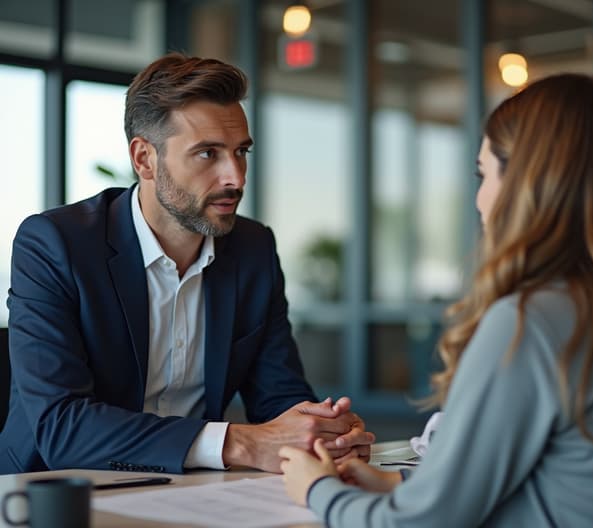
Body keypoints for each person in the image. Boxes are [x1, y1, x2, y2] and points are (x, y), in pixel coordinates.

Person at [278, 73, 593, 526]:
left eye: (484, 175)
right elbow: (570, 482)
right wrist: (393, 484)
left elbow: (419, 525)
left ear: (524, 186)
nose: (480, 200)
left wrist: (317, 488)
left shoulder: (531, 320)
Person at [0, 53, 374, 475]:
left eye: (241, 151)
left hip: (191, 491)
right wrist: (240, 442)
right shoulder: (55, 244)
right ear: (145, 159)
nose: (236, 177)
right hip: (50, 492)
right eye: (207, 154)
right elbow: (61, 427)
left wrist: (324, 432)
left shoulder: (253, 249)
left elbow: (279, 397)